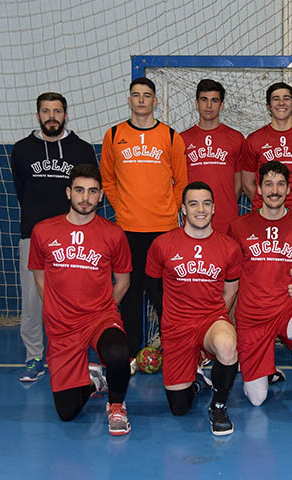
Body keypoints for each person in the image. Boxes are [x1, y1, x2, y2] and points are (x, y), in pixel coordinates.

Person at [28, 164, 133, 435]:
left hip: (99, 317)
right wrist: (54, 306)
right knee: (67, 412)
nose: (85, 197)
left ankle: (117, 405)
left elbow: (123, 281)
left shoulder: (113, 234)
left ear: (101, 196)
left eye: (92, 191)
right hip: (62, 325)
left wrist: (104, 309)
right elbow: (39, 275)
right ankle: (95, 381)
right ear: (68, 192)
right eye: (79, 190)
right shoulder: (43, 231)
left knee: (119, 353)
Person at [227, 161, 292, 426]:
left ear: (289, 189)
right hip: (252, 317)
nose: (274, 190)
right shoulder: (238, 226)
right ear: (258, 188)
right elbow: (230, 280)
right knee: (257, 398)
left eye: (280, 184)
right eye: (268, 184)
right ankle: (265, 369)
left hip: (287, 310)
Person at [100, 76, 188, 368]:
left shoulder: (171, 136)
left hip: (164, 230)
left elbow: (181, 182)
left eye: (146, 95)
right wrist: (122, 209)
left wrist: (168, 209)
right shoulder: (113, 136)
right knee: (131, 294)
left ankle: (175, 351)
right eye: (136, 95)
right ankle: (130, 354)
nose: (141, 100)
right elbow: (107, 181)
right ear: (128, 100)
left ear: (155, 101)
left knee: (164, 295)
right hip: (127, 229)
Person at [11, 92, 97, 382]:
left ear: (65, 114)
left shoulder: (82, 149)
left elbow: (88, 192)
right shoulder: (22, 150)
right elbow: (22, 190)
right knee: (33, 301)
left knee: (74, 298)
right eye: (46, 111)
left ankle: (75, 353)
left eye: (57, 111)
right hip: (34, 236)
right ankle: (34, 355)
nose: (52, 116)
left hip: (74, 239)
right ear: (38, 115)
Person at [146, 182, 242, 436]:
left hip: (209, 319)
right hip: (176, 326)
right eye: (194, 203)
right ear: (183, 209)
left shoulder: (229, 247)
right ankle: (196, 380)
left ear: (214, 208)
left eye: (206, 203)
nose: (201, 209)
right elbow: (153, 284)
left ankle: (219, 406)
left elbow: (230, 291)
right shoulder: (162, 244)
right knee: (179, 408)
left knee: (226, 345)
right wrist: (166, 317)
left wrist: (218, 320)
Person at [241, 82, 292, 214]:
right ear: (268, 106)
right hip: (264, 216)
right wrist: (267, 206)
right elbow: (247, 183)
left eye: (286, 98)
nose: (281, 103)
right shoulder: (254, 140)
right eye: (276, 99)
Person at [181, 79, 246, 234]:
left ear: (221, 105)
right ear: (196, 103)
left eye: (214, 100)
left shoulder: (236, 138)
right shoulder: (182, 139)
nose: (209, 106)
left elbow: (240, 181)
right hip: (193, 220)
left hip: (227, 219)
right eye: (204, 100)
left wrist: (225, 203)